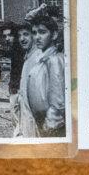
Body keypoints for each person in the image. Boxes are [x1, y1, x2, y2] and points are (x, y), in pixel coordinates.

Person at [17, 8, 65, 137]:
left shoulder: (54, 60)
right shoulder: (41, 57)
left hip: (47, 128)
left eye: (42, 32)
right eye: (34, 33)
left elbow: (58, 100)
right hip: (36, 121)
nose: (37, 37)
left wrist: (50, 125)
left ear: (54, 35)